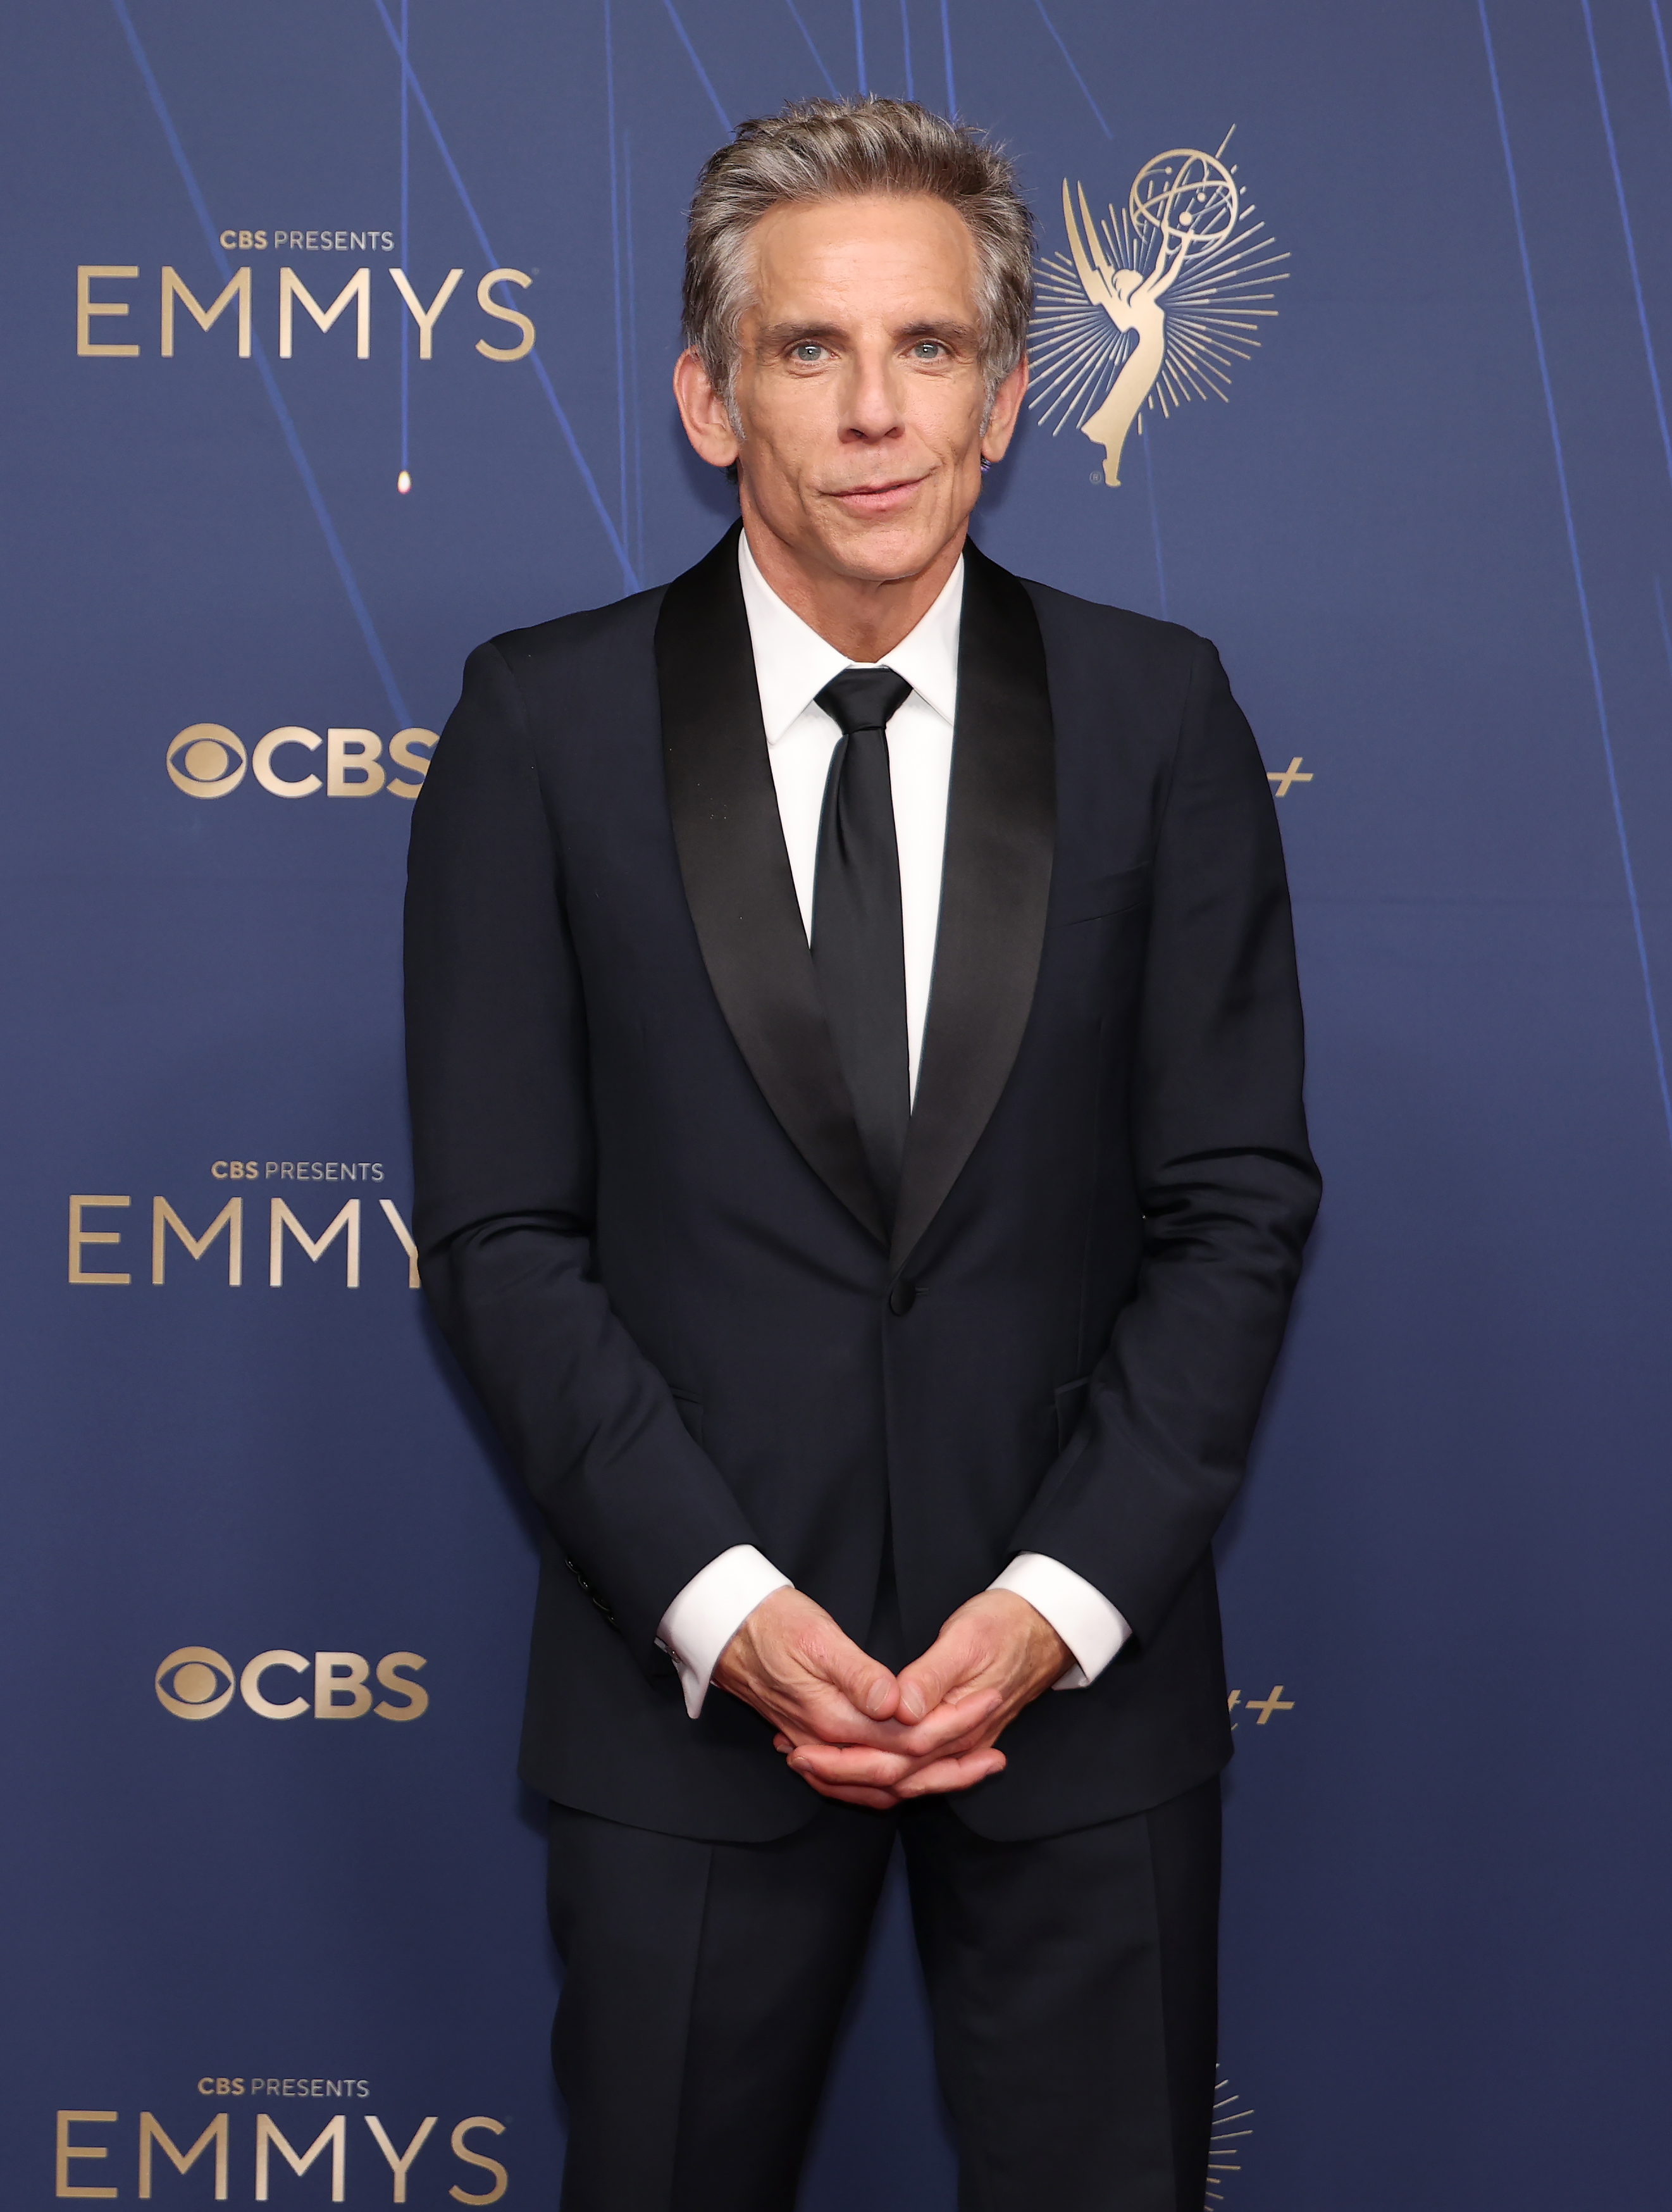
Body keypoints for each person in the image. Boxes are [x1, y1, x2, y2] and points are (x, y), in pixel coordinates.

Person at [404, 94, 1318, 2212]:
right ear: (708, 400)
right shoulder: (538, 729)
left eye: (925, 351)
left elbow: (1233, 1206)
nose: (873, 412)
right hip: (683, 1702)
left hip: (1077, 1708)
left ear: (1006, 397)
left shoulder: (1157, 713)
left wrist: (1055, 1599)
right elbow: (503, 1229)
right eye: (809, 351)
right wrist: (717, 1604)